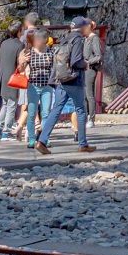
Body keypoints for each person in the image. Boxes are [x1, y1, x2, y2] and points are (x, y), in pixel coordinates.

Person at [51, 16, 98, 153]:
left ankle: (41, 140)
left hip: (61, 78)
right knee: (81, 110)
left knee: (56, 109)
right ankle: (83, 144)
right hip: (73, 79)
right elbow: (76, 61)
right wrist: (86, 64)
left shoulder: (66, 37)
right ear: (82, 27)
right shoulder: (78, 39)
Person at [23, 23, 59, 153]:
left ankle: (43, 139)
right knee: (32, 114)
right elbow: (21, 68)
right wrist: (23, 61)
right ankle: (32, 139)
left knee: (46, 114)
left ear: (44, 40)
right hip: (33, 85)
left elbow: (55, 68)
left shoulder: (51, 52)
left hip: (47, 87)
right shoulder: (29, 52)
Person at [0, 21, 28, 138]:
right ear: (19, 31)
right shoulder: (20, 45)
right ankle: (6, 132)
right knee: (12, 105)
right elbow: (20, 63)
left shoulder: (3, 43)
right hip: (13, 77)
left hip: (3, 77)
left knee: (5, 103)